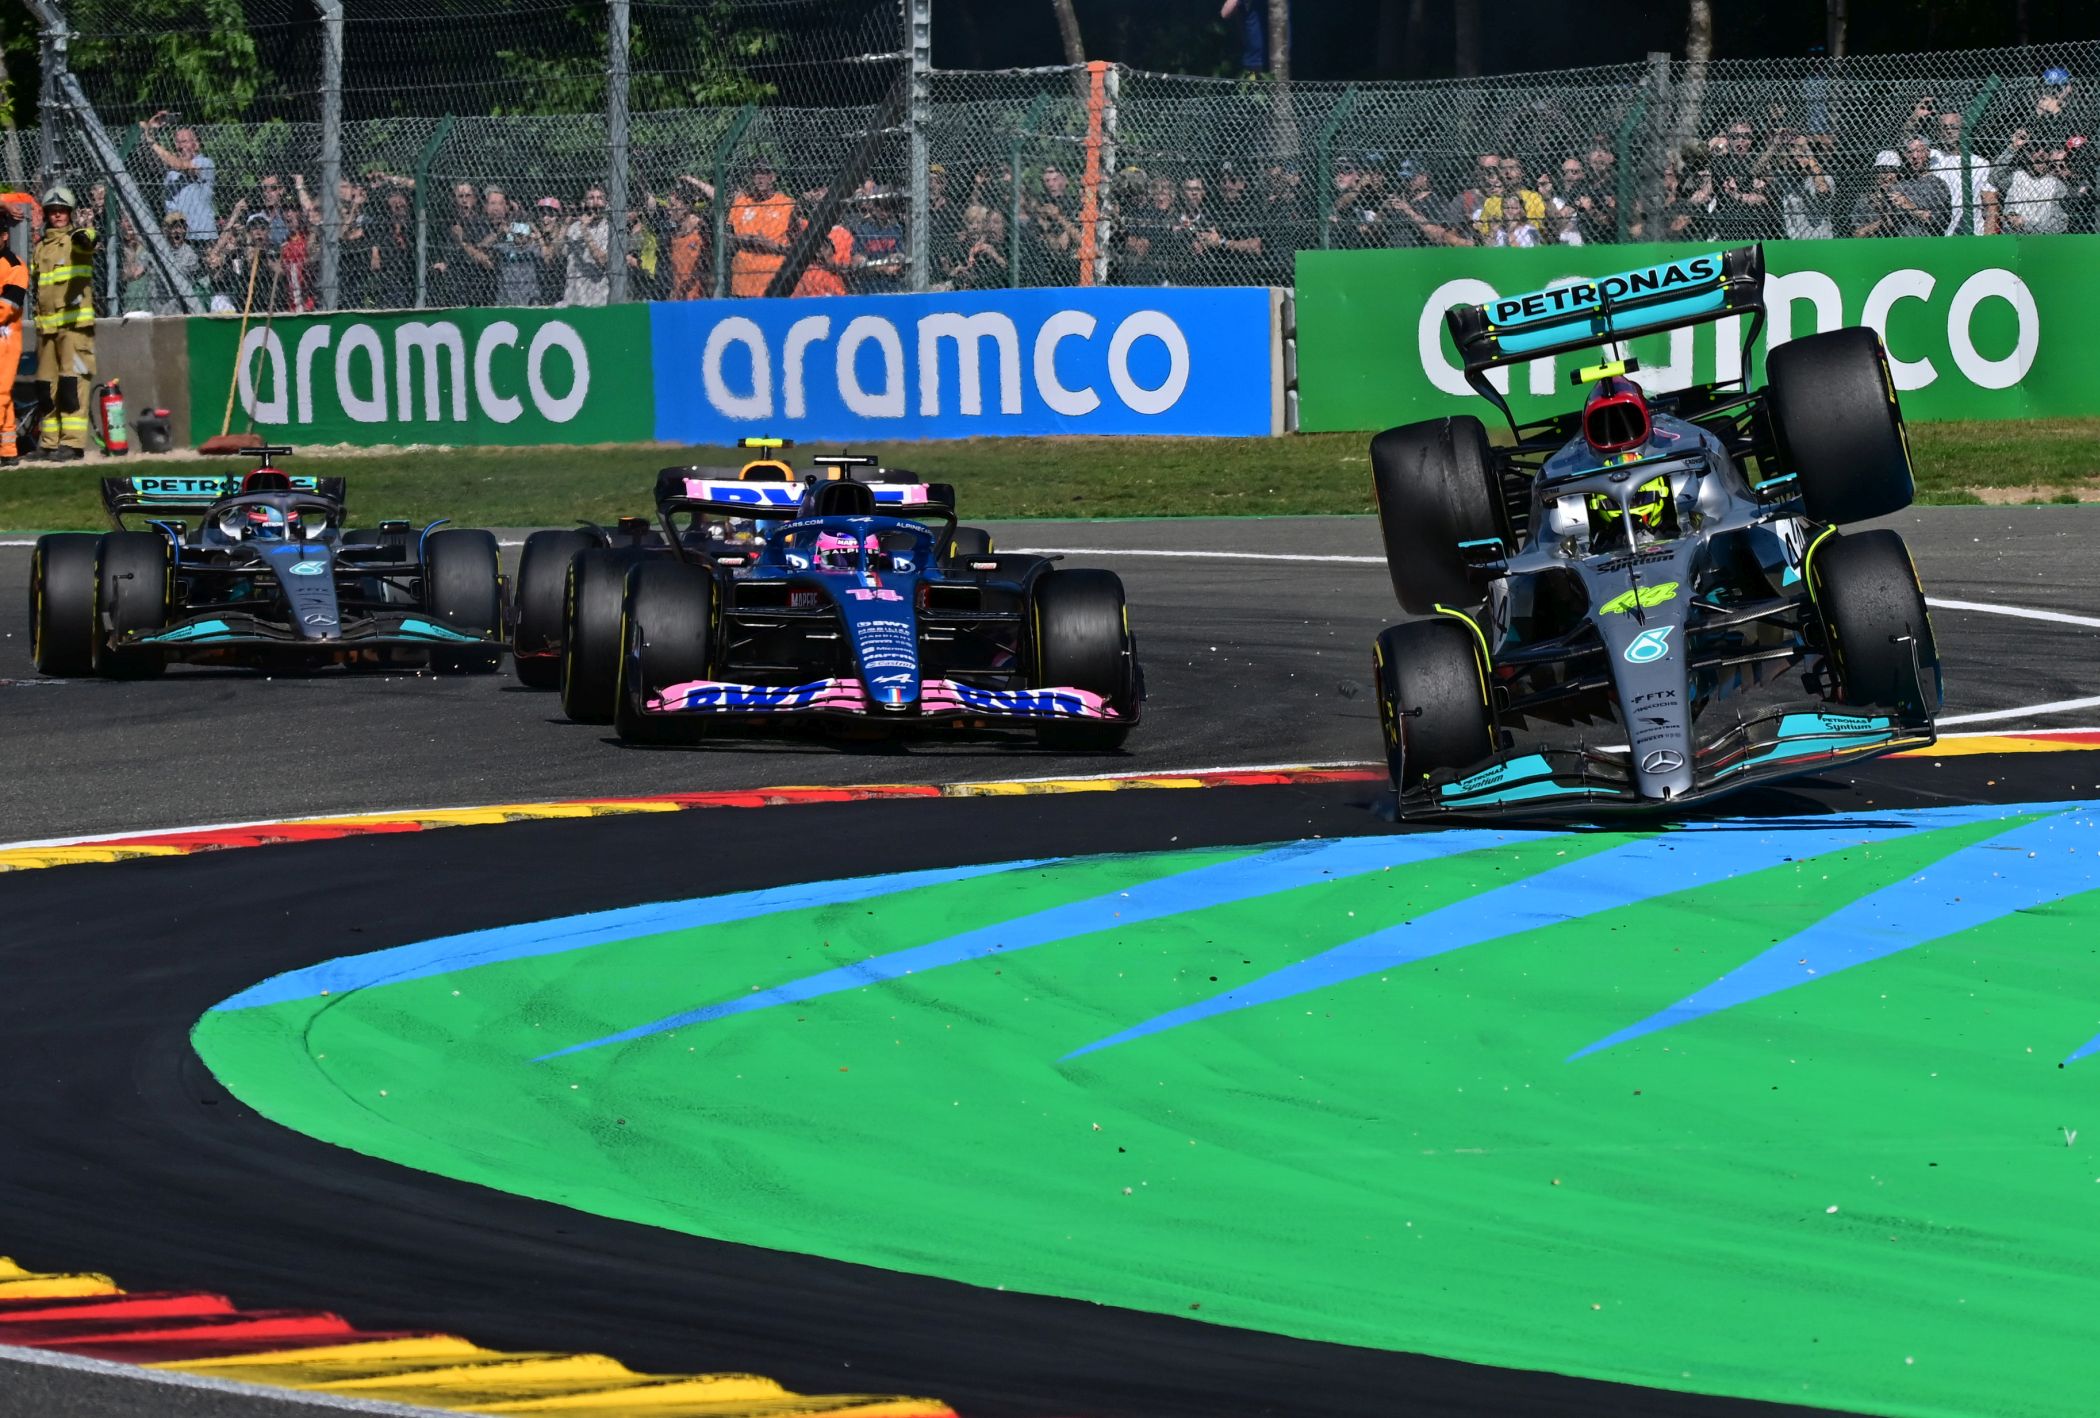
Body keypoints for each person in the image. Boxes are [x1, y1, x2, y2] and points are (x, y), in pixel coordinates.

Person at [31, 187, 97, 461]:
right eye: (53, 211)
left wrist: (85, 232)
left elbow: (88, 241)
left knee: (72, 385)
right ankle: (49, 443)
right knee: (46, 388)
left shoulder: (76, 240)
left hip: (74, 329)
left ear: (70, 214)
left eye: (62, 211)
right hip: (46, 329)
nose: (57, 215)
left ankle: (72, 444)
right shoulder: (41, 248)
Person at [142, 114, 217, 245]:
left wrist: (152, 142)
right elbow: (154, 160)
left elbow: (180, 165)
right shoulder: (171, 173)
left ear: (196, 144)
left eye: (184, 141)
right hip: (176, 236)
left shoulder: (205, 163)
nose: (180, 146)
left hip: (201, 236)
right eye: (177, 142)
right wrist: (149, 130)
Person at [727, 161, 795, 298]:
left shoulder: (787, 204)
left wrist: (773, 246)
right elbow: (726, 237)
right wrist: (744, 239)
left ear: (772, 177)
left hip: (773, 280)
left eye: (764, 173)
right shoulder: (741, 202)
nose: (759, 178)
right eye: (755, 174)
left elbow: (797, 245)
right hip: (743, 280)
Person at [1929, 112, 1999, 234]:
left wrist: (1988, 236)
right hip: (1939, 231)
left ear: (1964, 130)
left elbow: (1991, 204)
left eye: (1953, 127)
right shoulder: (1933, 157)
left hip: (1972, 231)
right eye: (1944, 127)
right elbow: (1909, 141)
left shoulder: (1980, 163)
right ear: (1938, 132)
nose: (1948, 131)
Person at [0, 196, 25, 466]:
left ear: (4, 236)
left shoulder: (15, 266)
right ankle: (7, 451)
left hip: (6, 340)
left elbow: (7, 307)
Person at [1998, 144, 2073, 234]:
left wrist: (2026, 224)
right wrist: (2012, 148)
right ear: (2029, 155)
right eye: (2036, 148)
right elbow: (1993, 180)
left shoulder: (2057, 185)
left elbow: (2061, 222)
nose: (2041, 152)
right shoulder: (2016, 175)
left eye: (2046, 149)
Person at [1776, 133, 1836, 239]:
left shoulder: (1825, 177)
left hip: (1820, 238)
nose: (1797, 160)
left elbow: (1822, 190)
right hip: (1794, 240)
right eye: (1793, 156)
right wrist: (1776, 143)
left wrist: (1807, 149)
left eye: (1801, 156)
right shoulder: (1785, 178)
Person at [563, 186, 611, 306]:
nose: (595, 202)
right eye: (591, 198)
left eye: (599, 198)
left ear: (606, 203)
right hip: (573, 296)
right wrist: (565, 223)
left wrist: (584, 230)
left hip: (597, 298)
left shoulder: (609, 228)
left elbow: (602, 261)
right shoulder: (574, 227)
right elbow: (558, 256)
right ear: (585, 203)